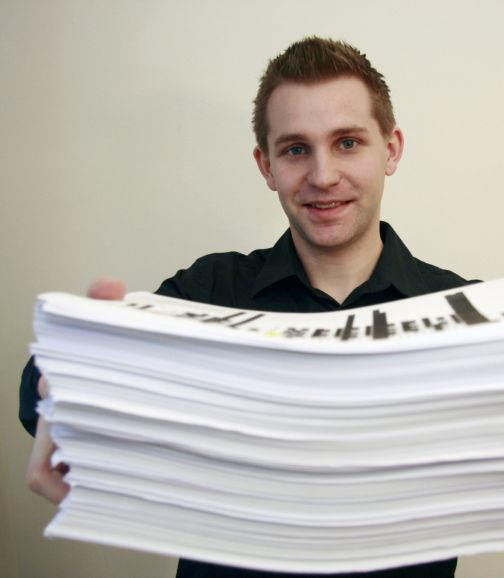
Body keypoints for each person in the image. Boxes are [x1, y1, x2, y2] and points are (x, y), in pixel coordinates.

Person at [21, 37, 474, 578]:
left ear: (391, 149)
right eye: (296, 149)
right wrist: (76, 376)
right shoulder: (210, 288)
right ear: (267, 165)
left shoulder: (467, 312)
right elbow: (44, 388)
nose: (323, 175)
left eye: (348, 142)